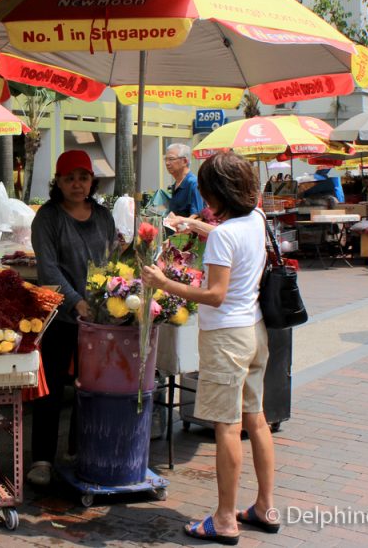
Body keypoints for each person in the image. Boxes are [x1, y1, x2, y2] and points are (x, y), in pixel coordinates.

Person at [142, 151, 278, 543]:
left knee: (228, 428)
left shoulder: (223, 236)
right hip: (255, 332)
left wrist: (162, 282)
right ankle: (265, 507)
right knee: (257, 419)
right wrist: (194, 224)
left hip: (225, 339)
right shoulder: (257, 219)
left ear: (216, 193)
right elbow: (226, 238)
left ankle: (224, 519)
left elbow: (215, 294)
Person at [28, 150, 116, 486]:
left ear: (92, 181)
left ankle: (81, 449)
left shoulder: (104, 216)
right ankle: (42, 459)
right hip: (59, 317)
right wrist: (77, 302)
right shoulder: (48, 218)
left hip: (99, 319)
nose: (77, 184)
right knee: (50, 390)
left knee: (91, 386)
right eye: (70, 178)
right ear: (58, 182)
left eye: (83, 177)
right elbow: (48, 269)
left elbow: (111, 260)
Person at [164, 143, 204, 219]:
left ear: (185, 161)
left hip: (187, 230)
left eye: (171, 159)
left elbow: (197, 215)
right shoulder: (177, 183)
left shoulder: (194, 183)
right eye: (166, 159)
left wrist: (182, 226)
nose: (167, 163)